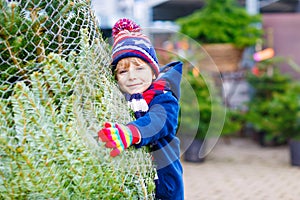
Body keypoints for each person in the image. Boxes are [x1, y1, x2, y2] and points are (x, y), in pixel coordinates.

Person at [98, 18, 184, 200]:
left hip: (164, 187)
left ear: (153, 72)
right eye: (123, 71)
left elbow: (158, 121)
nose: (132, 77)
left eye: (139, 68)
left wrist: (131, 133)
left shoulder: (164, 98)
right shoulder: (116, 101)